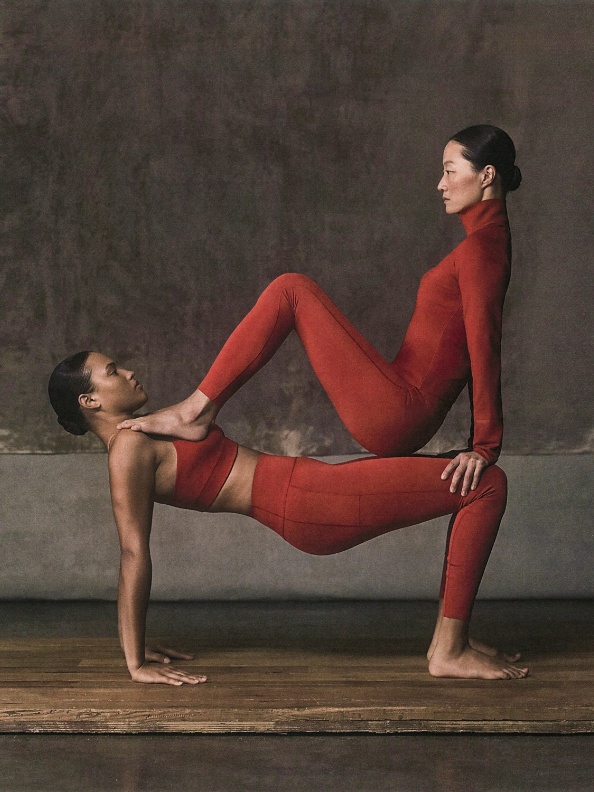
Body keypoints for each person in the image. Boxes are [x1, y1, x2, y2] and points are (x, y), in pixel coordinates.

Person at [48, 350, 528, 685]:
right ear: (89, 402)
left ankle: (453, 643)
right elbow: (133, 551)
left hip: (313, 488)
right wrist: (134, 661)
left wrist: (139, 645)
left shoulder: (142, 432)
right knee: (485, 483)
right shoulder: (128, 449)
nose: (129, 372)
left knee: (471, 473)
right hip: (308, 504)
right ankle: (449, 649)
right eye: (112, 371)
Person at [117, 125, 522, 498]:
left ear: (486, 176)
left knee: (291, 289)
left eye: (450, 171)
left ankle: (194, 412)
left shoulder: (481, 253)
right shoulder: (486, 245)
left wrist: (484, 447)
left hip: (402, 410)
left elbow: (484, 345)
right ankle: (195, 412)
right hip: (400, 399)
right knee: (292, 289)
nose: (440, 184)